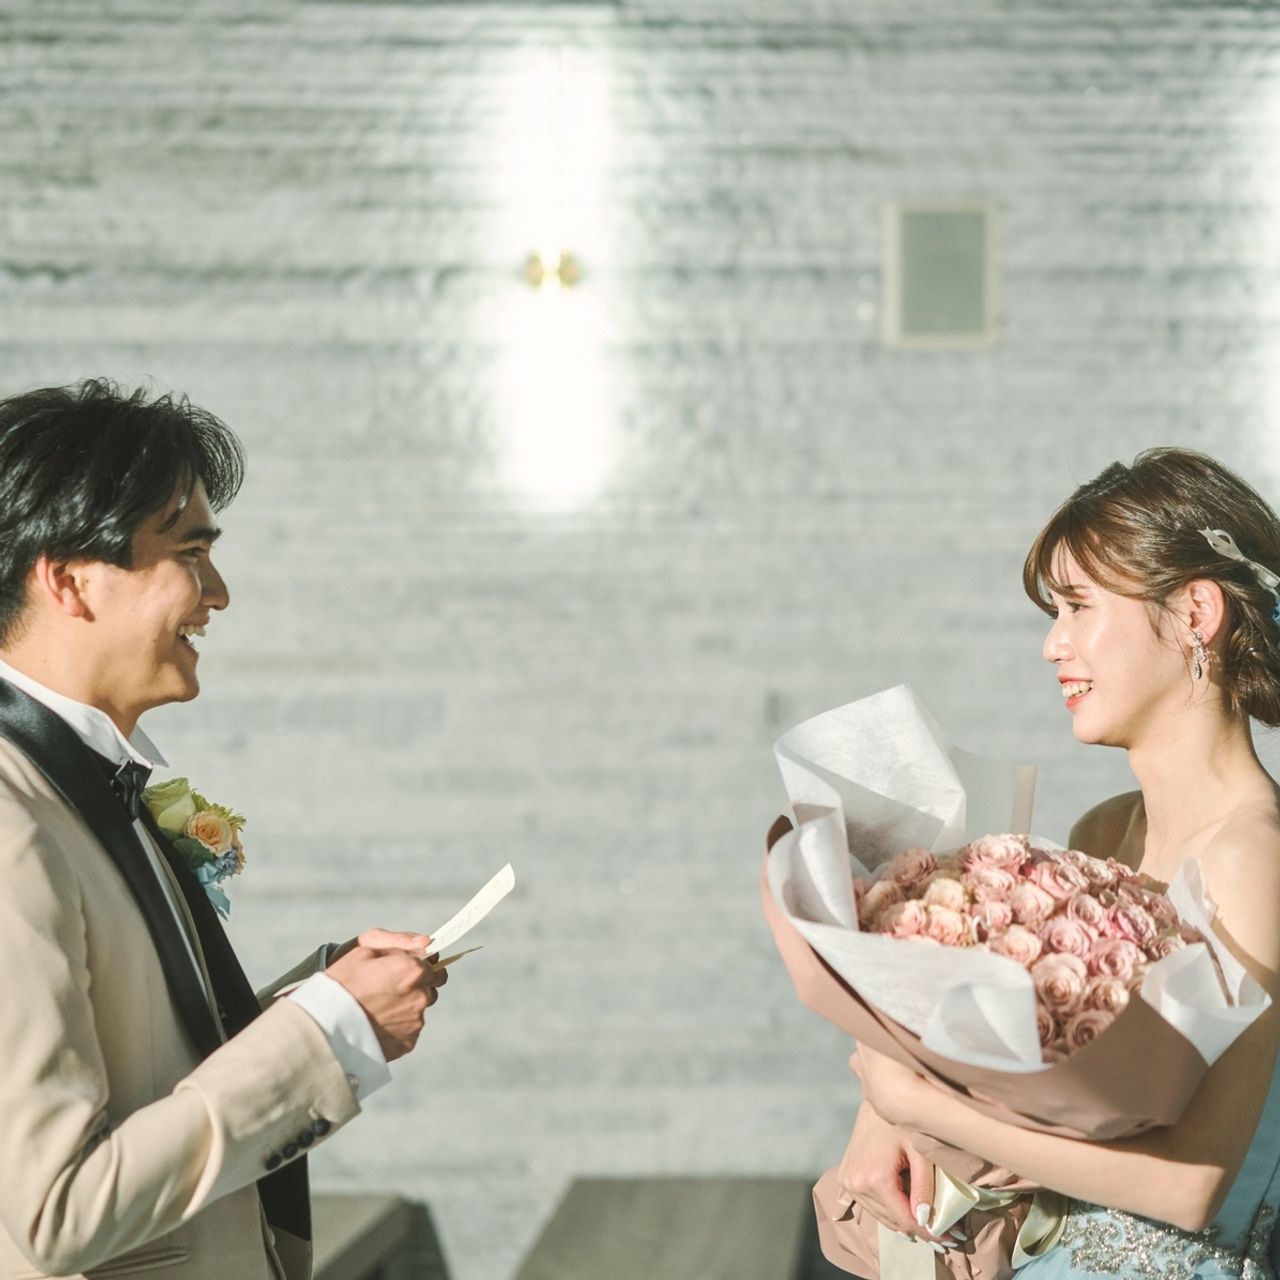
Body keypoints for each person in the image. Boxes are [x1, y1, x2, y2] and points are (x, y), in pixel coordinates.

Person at [0, 379, 449, 1280]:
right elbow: (53, 1211)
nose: (219, 594)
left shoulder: (81, 779)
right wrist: (324, 1035)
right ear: (69, 579)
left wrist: (321, 1004)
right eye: (191, 554)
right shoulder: (12, 820)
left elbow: (143, 1073)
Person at [836, 447, 1280, 1276]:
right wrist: (884, 1109)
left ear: (1197, 612)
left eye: (1077, 606)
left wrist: (916, 1103)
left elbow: (1194, 1187)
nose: (1052, 645)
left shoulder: (1258, 856)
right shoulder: (1104, 830)